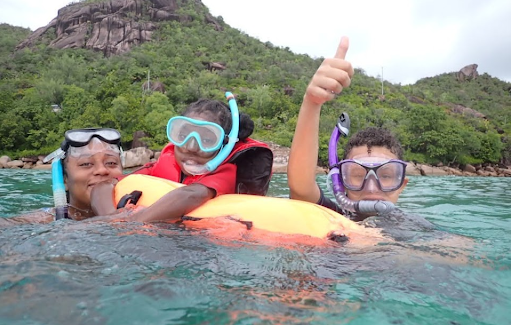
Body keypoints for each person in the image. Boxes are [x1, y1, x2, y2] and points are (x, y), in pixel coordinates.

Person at [90, 93, 273, 223]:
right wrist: (110, 220)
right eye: (183, 135)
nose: (190, 147)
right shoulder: (162, 164)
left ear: (225, 145)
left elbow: (191, 195)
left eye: (208, 139)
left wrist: (132, 223)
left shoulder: (226, 172)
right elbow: (104, 185)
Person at [288, 37, 409, 222]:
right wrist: (311, 102)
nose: (371, 188)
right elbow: (301, 189)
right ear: (341, 182)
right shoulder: (335, 216)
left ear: (401, 184)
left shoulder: (415, 228)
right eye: (358, 175)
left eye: (385, 176)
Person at [0, 128, 124, 227]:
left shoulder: (138, 208)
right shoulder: (46, 221)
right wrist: (110, 218)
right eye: (86, 164)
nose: (102, 170)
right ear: (65, 179)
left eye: (111, 163)